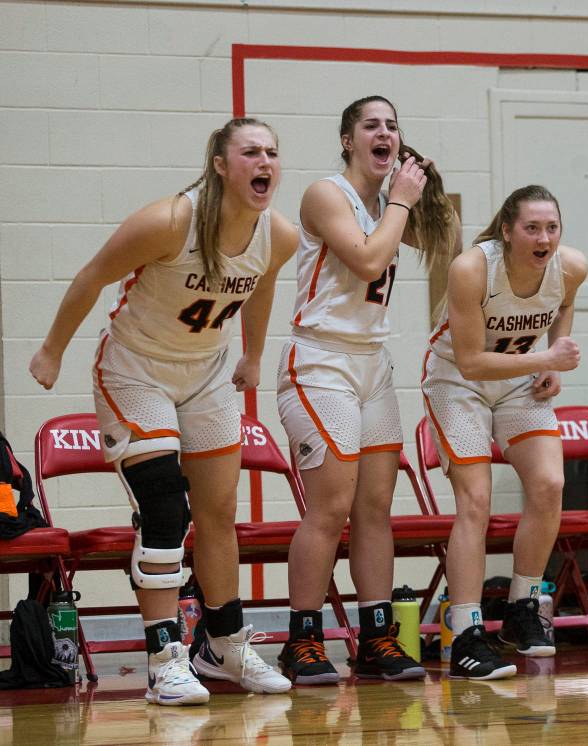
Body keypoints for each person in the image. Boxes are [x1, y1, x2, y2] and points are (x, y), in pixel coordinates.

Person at [29, 118, 297, 705]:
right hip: (135, 369)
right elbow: (93, 275)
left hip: (206, 375)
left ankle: (222, 646)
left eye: (273, 152)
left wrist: (252, 355)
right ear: (221, 165)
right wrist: (51, 350)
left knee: (219, 511)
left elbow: (264, 283)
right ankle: (164, 657)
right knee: (164, 504)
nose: (266, 162)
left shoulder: (278, 234)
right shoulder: (170, 220)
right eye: (251, 151)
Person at [276, 95, 458, 684]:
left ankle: (377, 635)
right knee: (330, 508)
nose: (385, 133)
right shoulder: (326, 193)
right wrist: (401, 200)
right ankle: (301, 639)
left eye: (393, 126)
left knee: (376, 508)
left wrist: (429, 189)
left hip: (372, 363)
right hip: (320, 360)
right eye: (371, 126)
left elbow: (445, 247)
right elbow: (367, 259)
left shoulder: (389, 201)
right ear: (348, 140)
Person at [422, 184, 588, 680]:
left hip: (519, 382)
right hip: (457, 381)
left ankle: (522, 607)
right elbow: (472, 362)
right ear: (508, 231)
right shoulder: (472, 268)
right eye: (532, 228)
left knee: (549, 485)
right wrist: (547, 356)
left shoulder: (571, 266)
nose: (544, 237)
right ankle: (467, 632)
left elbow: (562, 307)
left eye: (552, 227)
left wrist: (553, 361)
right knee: (475, 501)